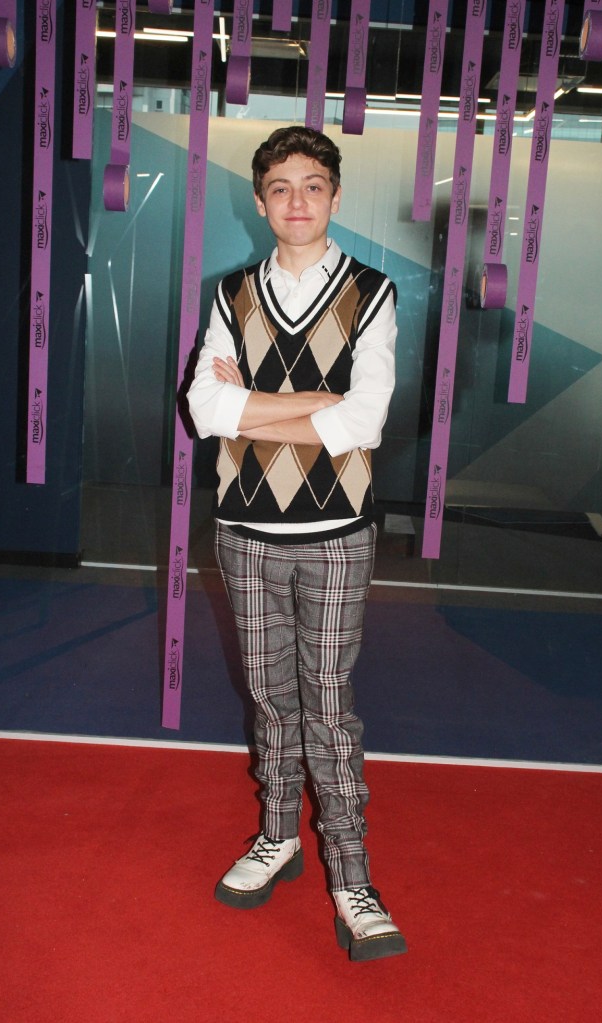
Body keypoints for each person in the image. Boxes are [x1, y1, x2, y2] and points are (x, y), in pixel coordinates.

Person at [187, 125, 405, 962]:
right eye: (280, 187)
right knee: (271, 697)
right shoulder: (231, 294)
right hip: (245, 530)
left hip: (337, 533)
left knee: (326, 702)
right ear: (259, 200)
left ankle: (352, 874)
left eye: (313, 185)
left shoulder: (371, 292)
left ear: (336, 196)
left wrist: (253, 407)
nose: (297, 201)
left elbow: (364, 422)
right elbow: (204, 411)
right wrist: (315, 400)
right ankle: (278, 834)